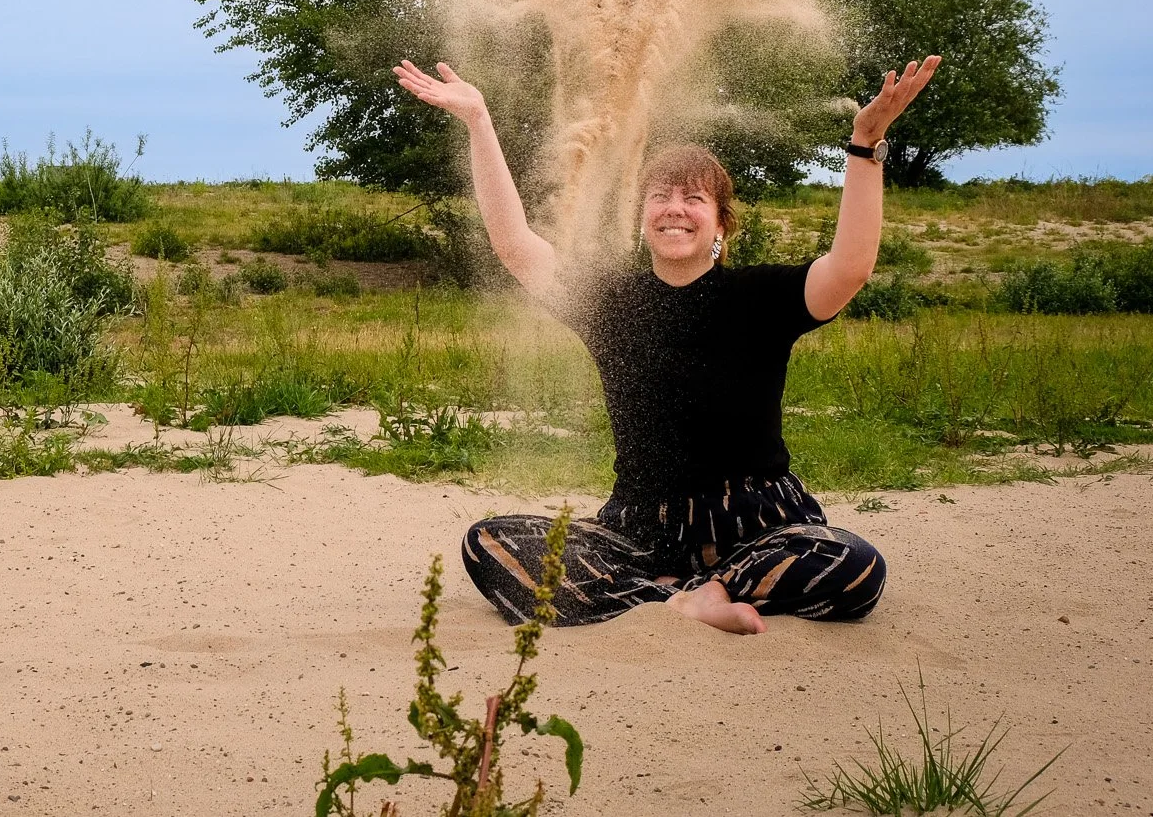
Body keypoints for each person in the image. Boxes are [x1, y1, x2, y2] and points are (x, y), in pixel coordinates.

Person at [394, 54, 941, 635]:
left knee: (856, 567)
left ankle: (685, 593)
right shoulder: (611, 302)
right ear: (642, 217)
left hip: (759, 524)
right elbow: (514, 243)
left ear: (721, 225)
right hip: (638, 530)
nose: (675, 207)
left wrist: (865, 143)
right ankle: (683, 598)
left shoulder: (761, 296)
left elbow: (851, 267)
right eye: (660, 195)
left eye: (695, 199)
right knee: (489, 544)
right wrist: (478, 118)